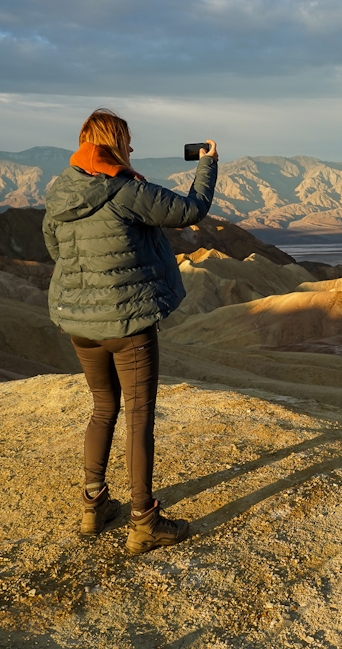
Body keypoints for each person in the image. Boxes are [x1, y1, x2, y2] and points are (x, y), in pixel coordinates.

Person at [43, 108, 218, 554]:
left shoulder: (60, 192)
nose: (132, 149)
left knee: (103, 409)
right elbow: (189, 211)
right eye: (127, 141)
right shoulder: (124, 191)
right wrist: (208, 162)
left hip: (80, 326)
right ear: (114, 144)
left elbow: (53, 249)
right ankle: (144, 522)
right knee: (139, 416)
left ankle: (94, 505)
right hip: (127, 325)